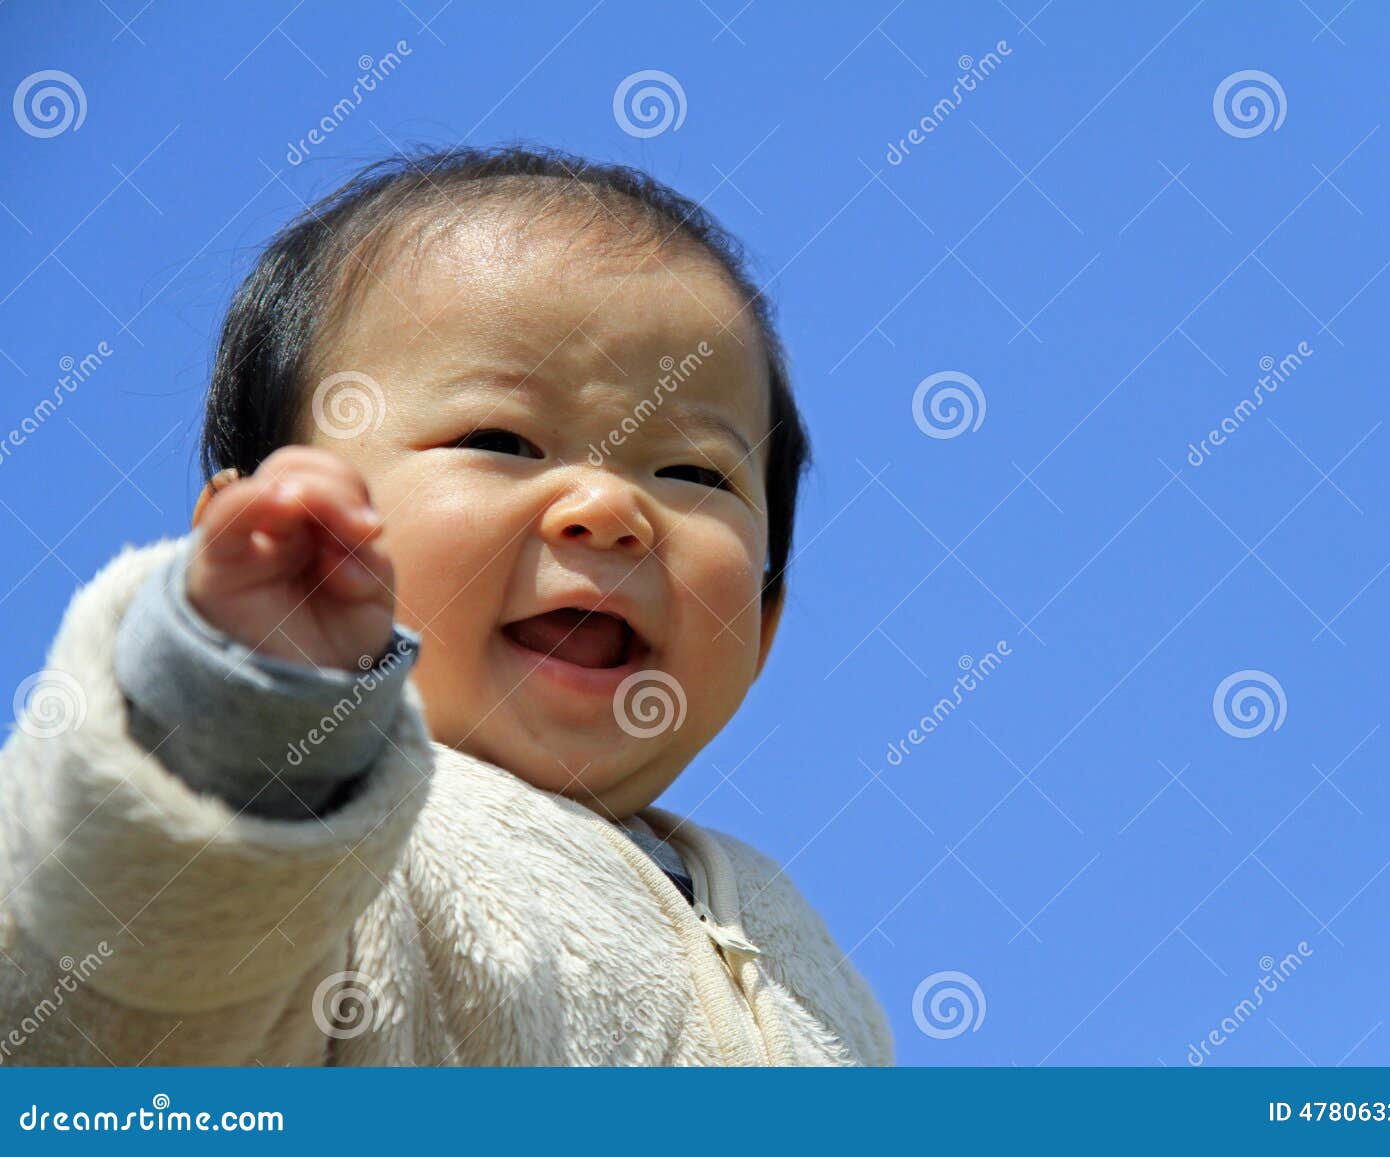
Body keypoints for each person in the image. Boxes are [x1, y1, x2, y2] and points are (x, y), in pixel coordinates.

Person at [0, 145, 894, 1066]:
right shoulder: (324, 850)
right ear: (266, 535)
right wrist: (238, 715)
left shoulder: (806, 968)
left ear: (765, 622)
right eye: (499, 437)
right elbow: (126, 993)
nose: (607, 509)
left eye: (692, 471)